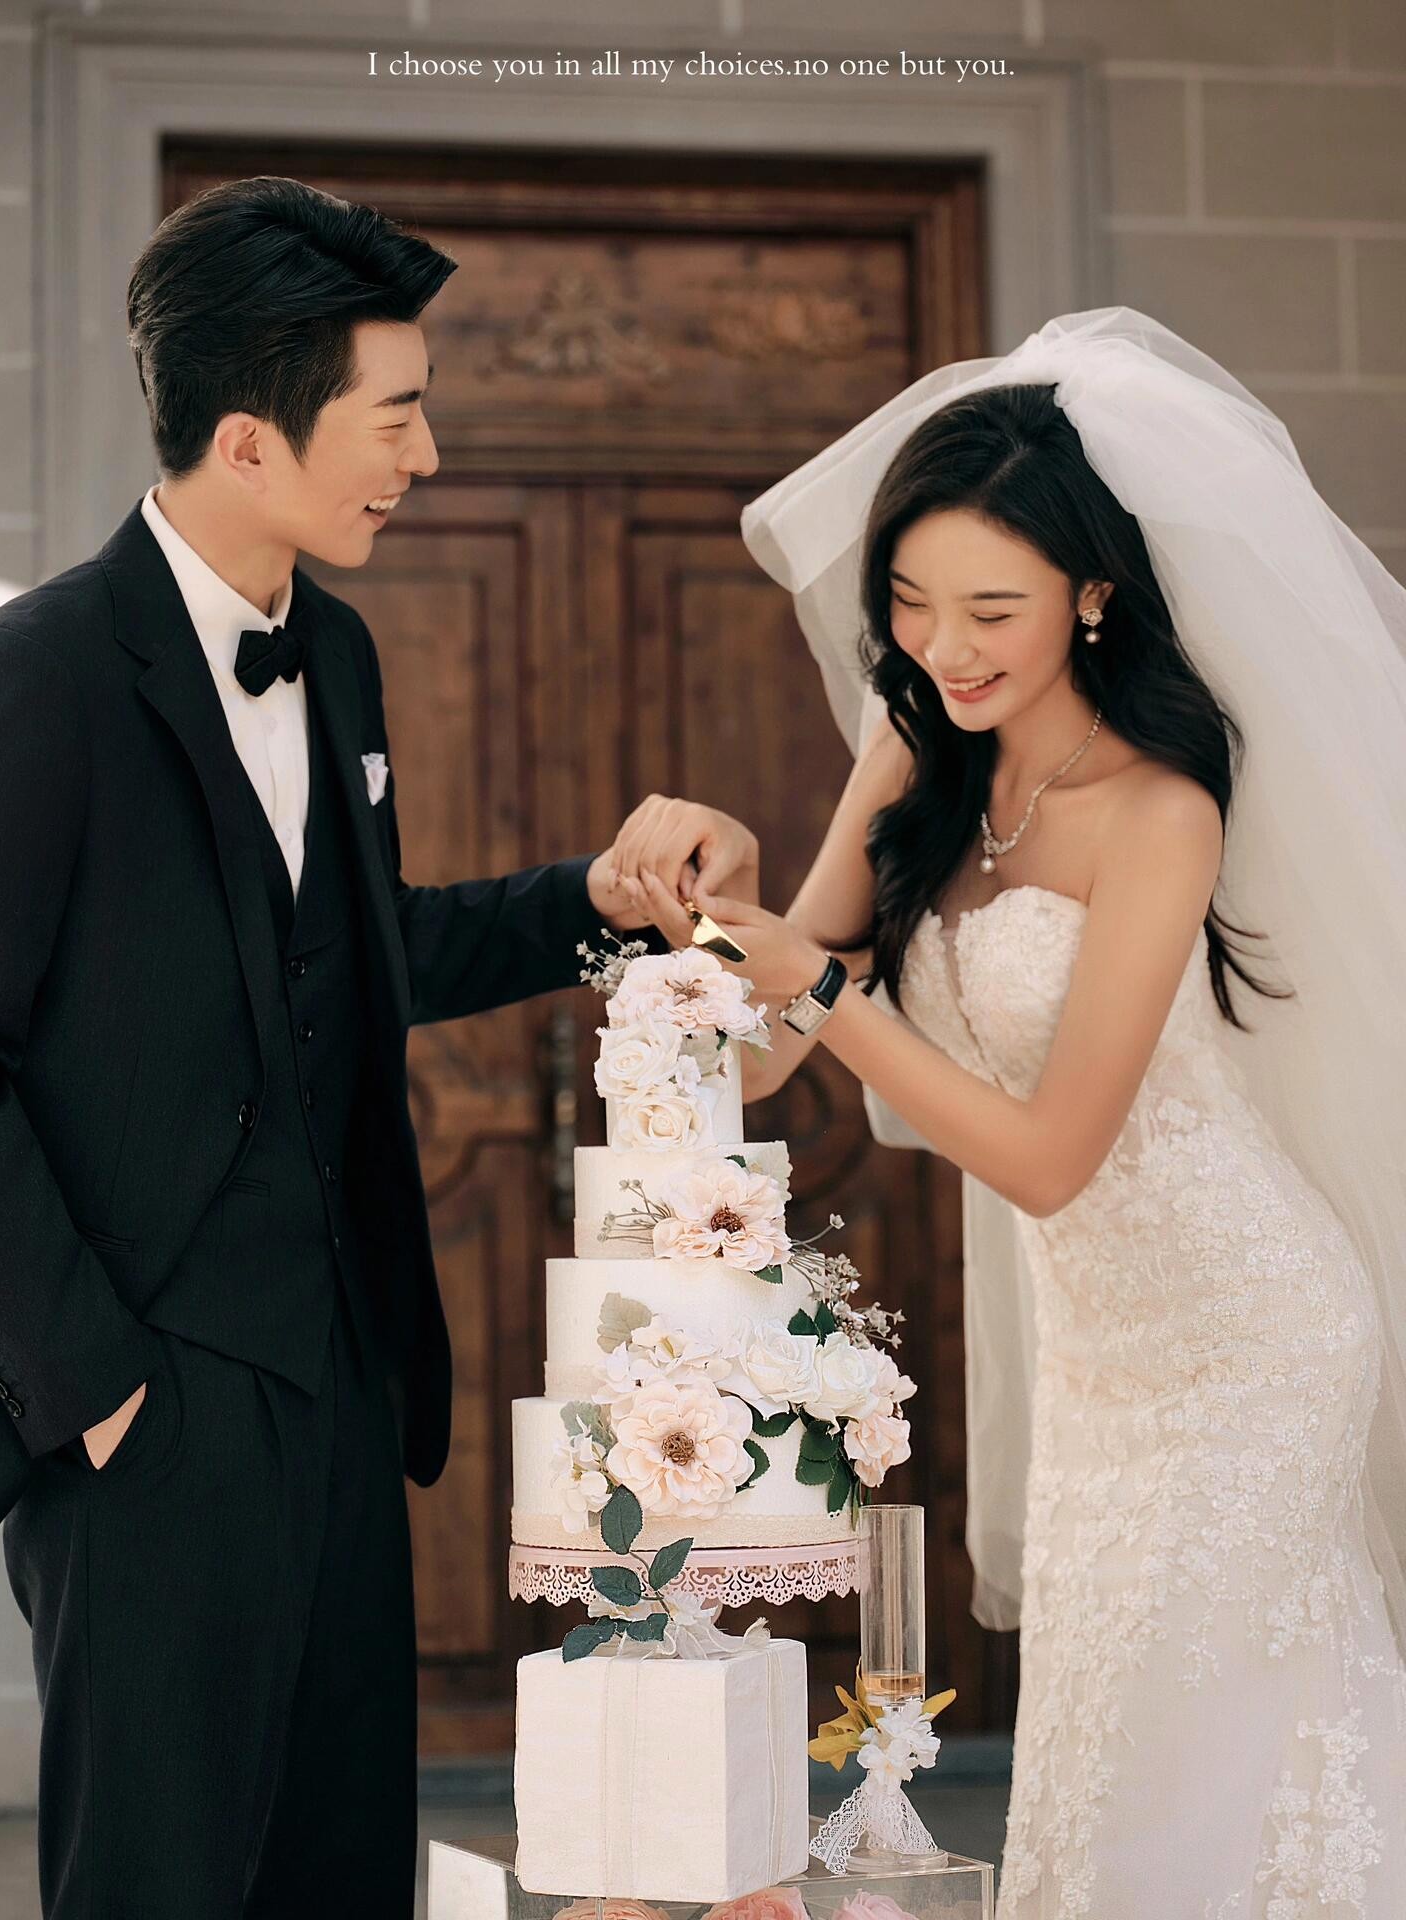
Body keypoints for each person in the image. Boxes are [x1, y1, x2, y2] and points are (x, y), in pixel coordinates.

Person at [0, 175, 757, 1918]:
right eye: (394, 417)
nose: (428, 453)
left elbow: (355, 953)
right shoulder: (38, 677)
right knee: (157, 1886)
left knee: (340, 1875)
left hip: (340, 1383)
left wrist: (599, 900)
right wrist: (96, 1392)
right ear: (250, 441)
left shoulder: (335, 650)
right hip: (147, 1411)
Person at [611, 310, 1406, 1914]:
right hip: (1101, 1361)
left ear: (1090, 596)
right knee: (1102, 1758)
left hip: (1253, 1337)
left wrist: (827, 995)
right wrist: (728, 906)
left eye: (992, 610)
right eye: (912, 603)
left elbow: (1049, 1158)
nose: (944, 648)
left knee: (1215, 1759)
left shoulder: (1161, 810)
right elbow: (758, 1062)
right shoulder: (918, 761)